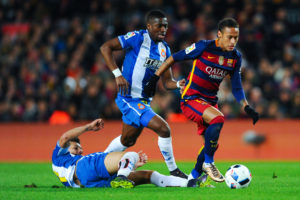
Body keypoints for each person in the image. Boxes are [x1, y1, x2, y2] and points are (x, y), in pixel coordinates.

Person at [144, 18, 259, 182]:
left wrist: (246, 107)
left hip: (209, 102)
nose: (233, 41)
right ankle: (209, 163)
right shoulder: (204, 46)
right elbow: (173, 58)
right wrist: (155, 78)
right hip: (191, 99)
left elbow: (237, 86)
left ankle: (193, 178)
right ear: (219, 34)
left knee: (211, 145)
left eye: (236, 37)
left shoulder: (235, 57)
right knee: (218, 119)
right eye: (229, 37)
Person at [100, 10, 187, 178]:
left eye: (165, 26)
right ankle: (174, 171)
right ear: (149, 26)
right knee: (163, 128)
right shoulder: (138, 38)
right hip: (128, 98)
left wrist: (178, 84)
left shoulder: (164, 50)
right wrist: (117, 74)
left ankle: (99, 165)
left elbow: (167, 82)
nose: (163, 29)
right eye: (159, 26)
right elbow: (105, 47)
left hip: (144, 101)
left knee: (127, 140)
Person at [51, 118, 209, 188]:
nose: (80, 150)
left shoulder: (64, 166)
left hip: (89, 184)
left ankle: (190, 183)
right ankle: (122, 176)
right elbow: (65, 137)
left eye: (80, 148)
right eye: (75, 148)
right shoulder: (60, 157)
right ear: (66, 149)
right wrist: (88, 127)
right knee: (131, 154)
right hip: (85, 169)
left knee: (148, 175)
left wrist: (128, 165)